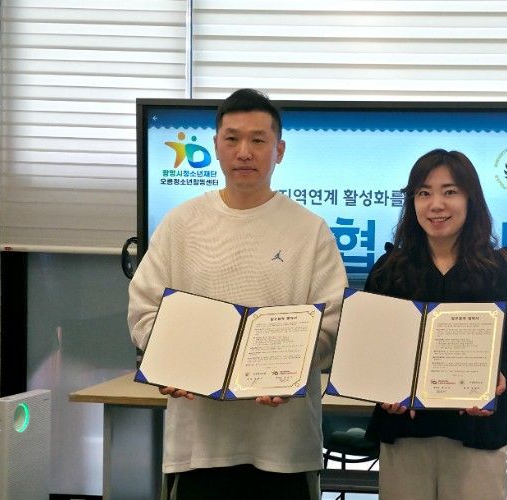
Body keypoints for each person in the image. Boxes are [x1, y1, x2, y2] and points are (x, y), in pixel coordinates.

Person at [128, 88, 348, 500]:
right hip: (199, 446)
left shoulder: (310, 230)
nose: (244, 152)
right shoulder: (180, 224)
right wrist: (166, 363)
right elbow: (145, 309)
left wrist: (292, 372)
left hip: (284, 445)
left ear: (279, 150)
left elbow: (333, 321)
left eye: (258, 140)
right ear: (216, 146)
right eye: (232, 139)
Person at [363, 149, 507, 500]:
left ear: (470, 199)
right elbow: (367, 350)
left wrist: (500, 378)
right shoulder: (389, 269)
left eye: (450, 192)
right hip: (406, 431)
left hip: (478, 432)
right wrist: (381, 387)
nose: (436, 205)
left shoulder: (501, 270)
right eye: (423, 193)